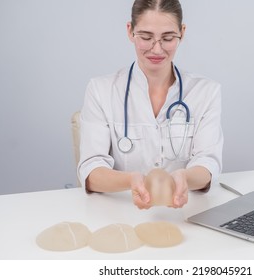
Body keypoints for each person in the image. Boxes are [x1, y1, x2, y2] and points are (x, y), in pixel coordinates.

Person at [78, 0, 223, 209]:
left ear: (182, 32)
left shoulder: (206, 92)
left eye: (168, 38)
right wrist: (132, 180)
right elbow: (91, 170)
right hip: (121, 213)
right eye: (146, 37)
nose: (157, 49)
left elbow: (208, 164)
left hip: (185, 212)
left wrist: (184, 177)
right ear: (130, 31)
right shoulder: (101, 90)